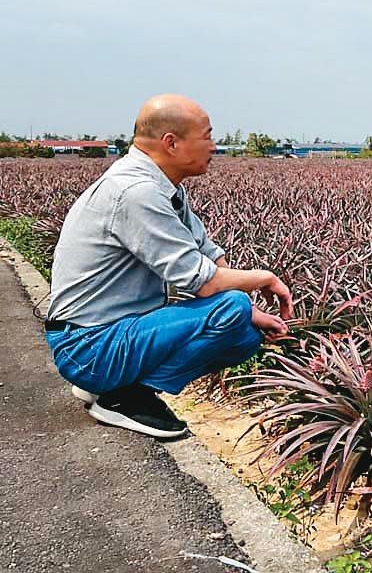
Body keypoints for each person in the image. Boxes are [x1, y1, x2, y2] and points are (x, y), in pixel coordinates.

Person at [44, 94, 293, 438]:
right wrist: (263, 278)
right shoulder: (137, 191)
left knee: (244, 335)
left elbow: (206, 252)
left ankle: (112, 386)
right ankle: (123, 398)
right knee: (232, 307)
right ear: (171, 143)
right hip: (87, 344)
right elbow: (201, 281)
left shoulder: (164, 186)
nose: (214, 146)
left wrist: (254, 312)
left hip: (111, 332)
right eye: (207, 136)